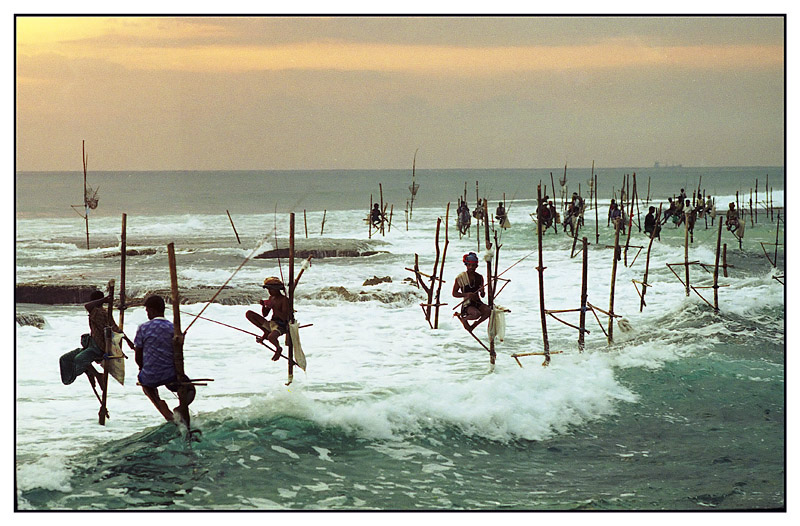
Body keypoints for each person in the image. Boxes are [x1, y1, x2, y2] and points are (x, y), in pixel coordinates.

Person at [134, 295, 196, 427]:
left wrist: (142, 369)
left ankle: (163, 408)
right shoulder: (173, 328)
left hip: (150, 375)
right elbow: (177, 354)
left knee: (147, 386)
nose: (147, 314)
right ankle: (180, 408)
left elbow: (138, 355)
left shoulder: (143, 328)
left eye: (147, 311)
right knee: (190, 389)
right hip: (170, 374)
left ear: (151, 310)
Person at [59, 290, 132, 393]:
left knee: (78, 359)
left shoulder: (98, 312)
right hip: (91, 345)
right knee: (64, 359)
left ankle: (97, 375)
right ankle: (88, 370)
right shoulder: (98, 311)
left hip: (98, 347)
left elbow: (115, 328)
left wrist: (128, 341)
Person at [246, 277, 290, 360]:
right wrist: (263, 306)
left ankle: (278, 348)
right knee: (249, 314)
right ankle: (265, 331)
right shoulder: (271, 298)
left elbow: (285, 317)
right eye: (268, 290)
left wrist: (274, 307)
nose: (269, 292)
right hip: (271, 323)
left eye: (271, 290)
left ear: (277, 290)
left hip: (281, 325)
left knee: (271, 337)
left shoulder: (284, 300)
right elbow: (265, 314)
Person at [452, 252, 491, 333]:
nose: (471, 267)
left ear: (476, 266)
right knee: (476, 314)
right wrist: (466, 294)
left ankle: (473, 326)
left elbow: (482, 295)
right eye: (469, 265)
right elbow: (454, 293)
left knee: (488, 311)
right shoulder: (460, 278)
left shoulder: (479, 277)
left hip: (477, 302)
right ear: (466, 265)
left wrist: (482, 291)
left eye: (473, 266)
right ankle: (464, 319)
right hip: (467, 304)